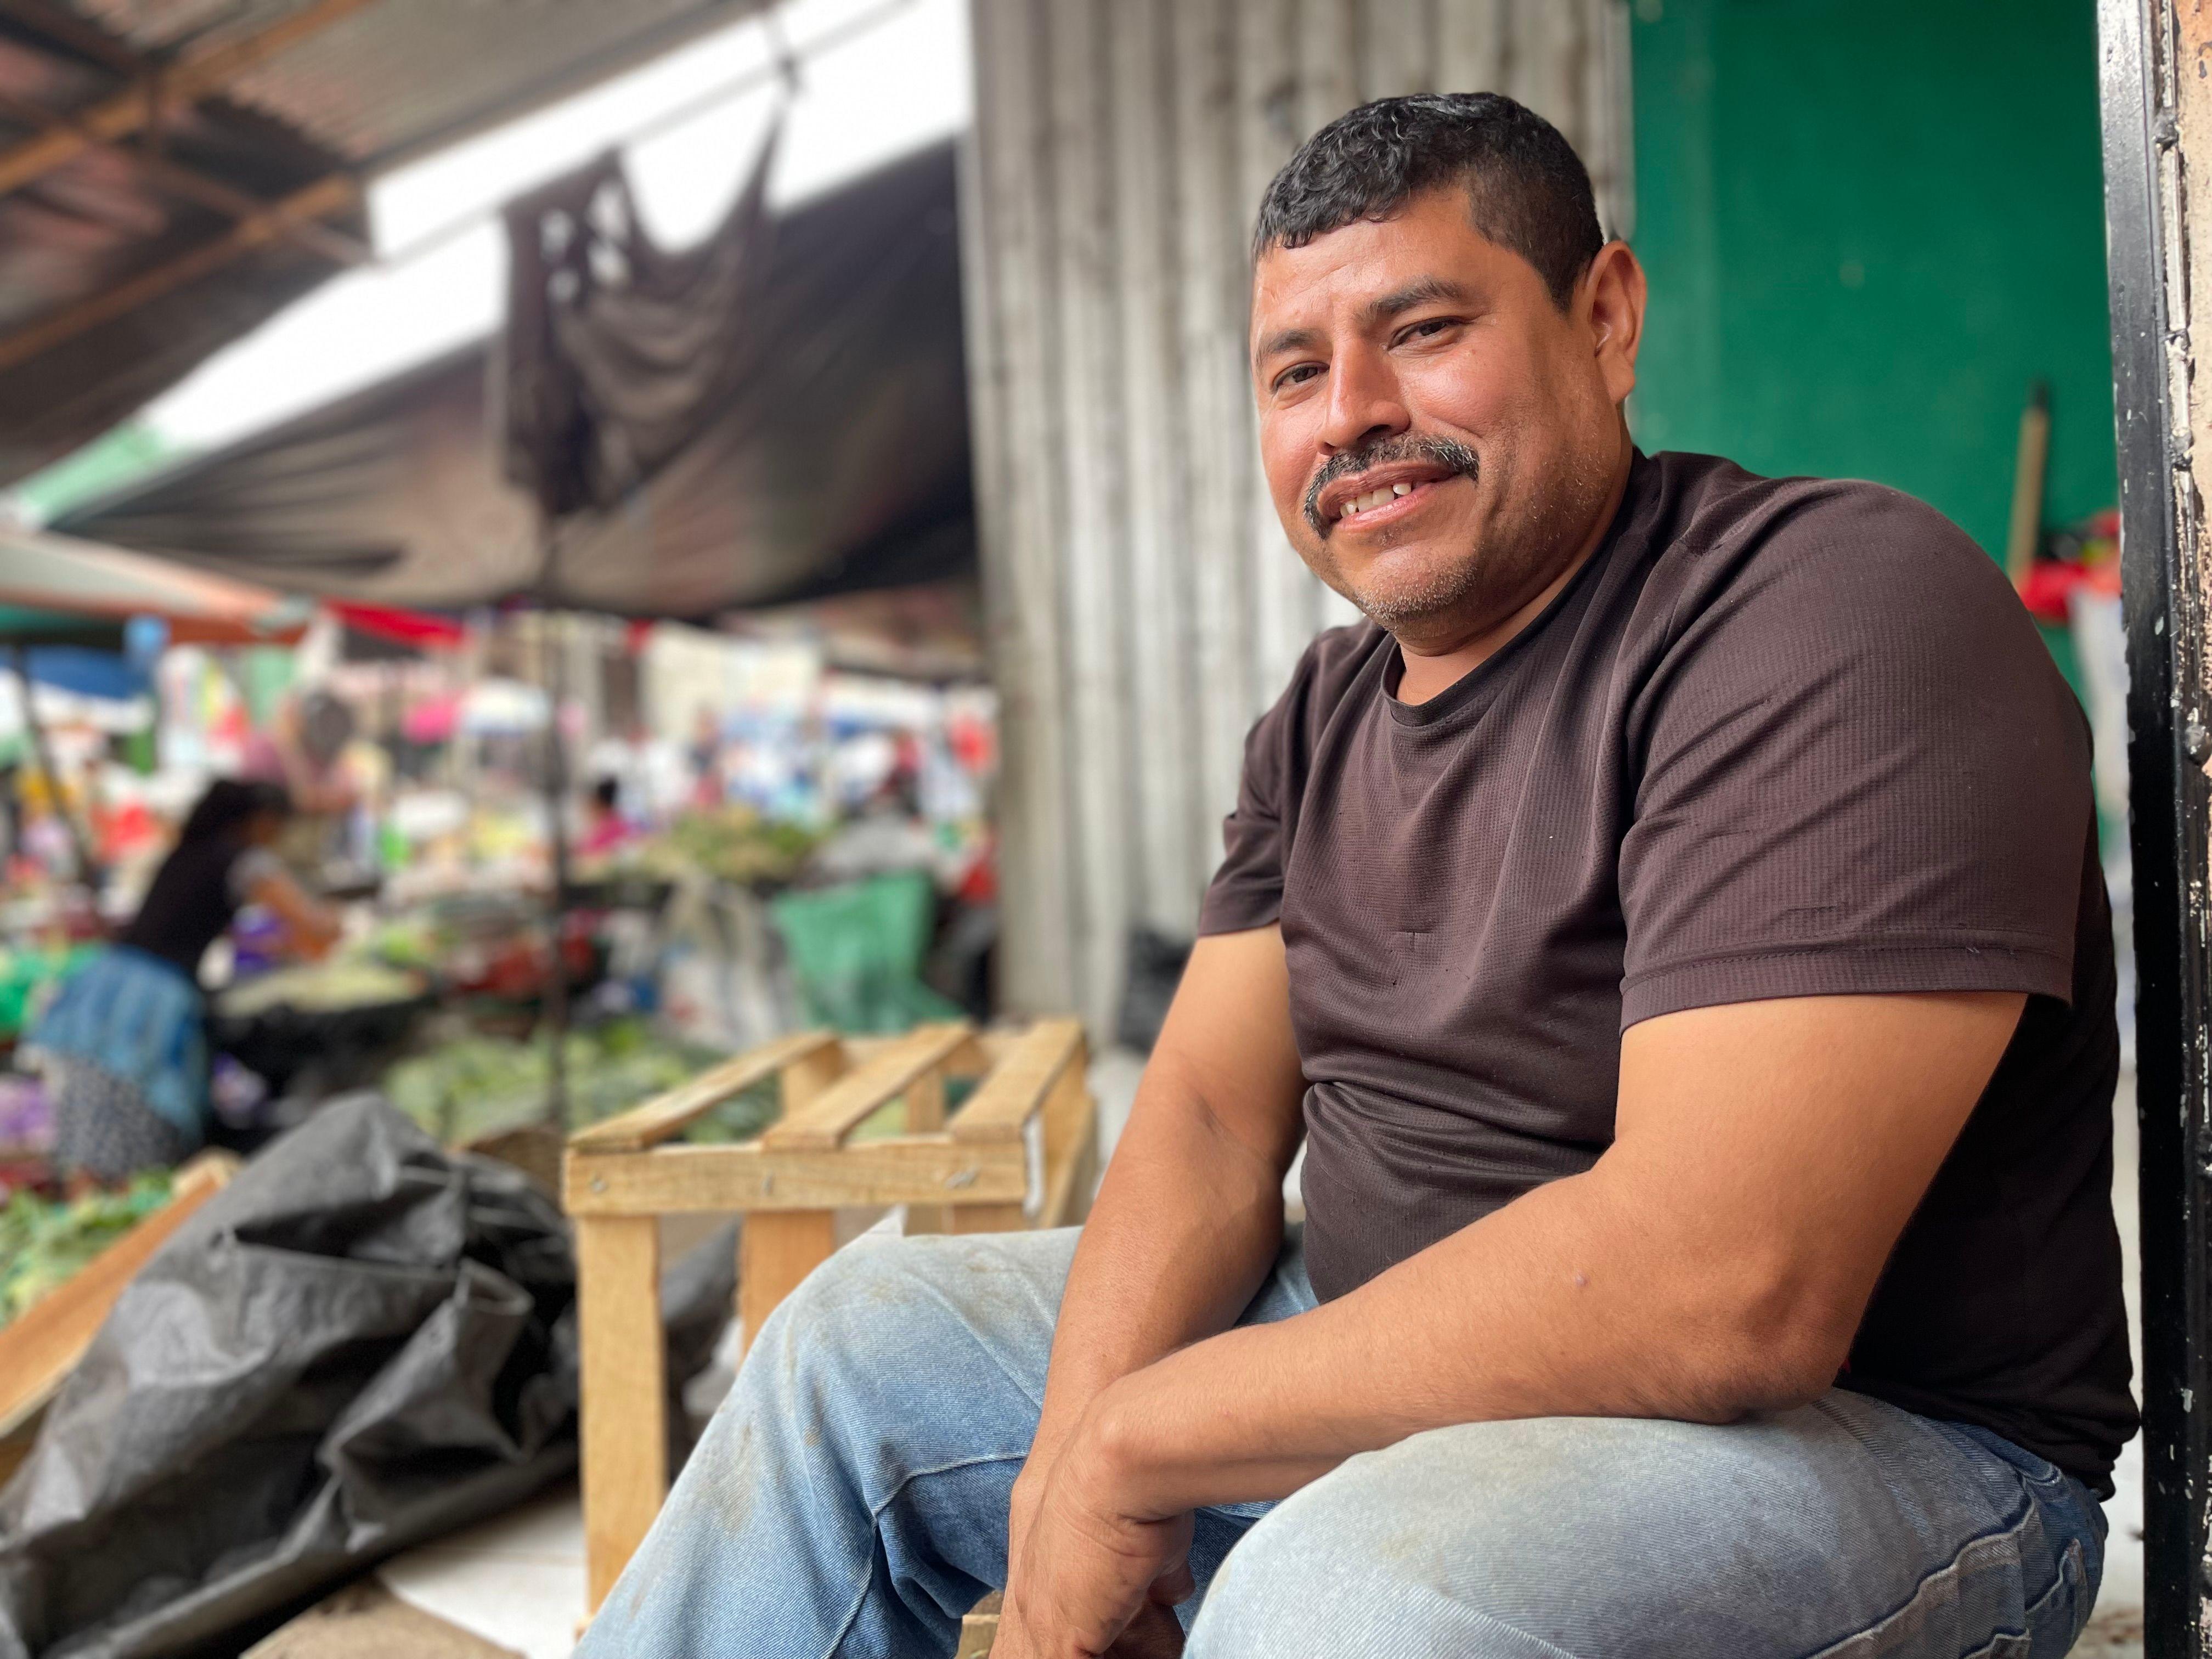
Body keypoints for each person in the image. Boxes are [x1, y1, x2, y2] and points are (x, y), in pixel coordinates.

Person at [580, 94, 2132, 1658]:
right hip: (1383, 1355)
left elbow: (1725, 1288)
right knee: (852, 1352)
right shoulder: (1327, 715)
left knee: (1343, 1599)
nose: (1352, 413)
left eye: (1424, 329)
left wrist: (1141, 1441)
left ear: (1605, 317)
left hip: (1867, 1451)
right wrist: (1068, 1474)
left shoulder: (1829, 614)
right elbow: (1199, 1118)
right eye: (1294, 371)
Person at [28, 778, 338, 1186]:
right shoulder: (245, 860)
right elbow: (317, 928)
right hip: (147, 1004)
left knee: (101, 1130)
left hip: (110, 986)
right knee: (143, 1136)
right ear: (262, 821)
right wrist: (335, 924)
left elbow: (200, 922)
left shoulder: (190, 853)